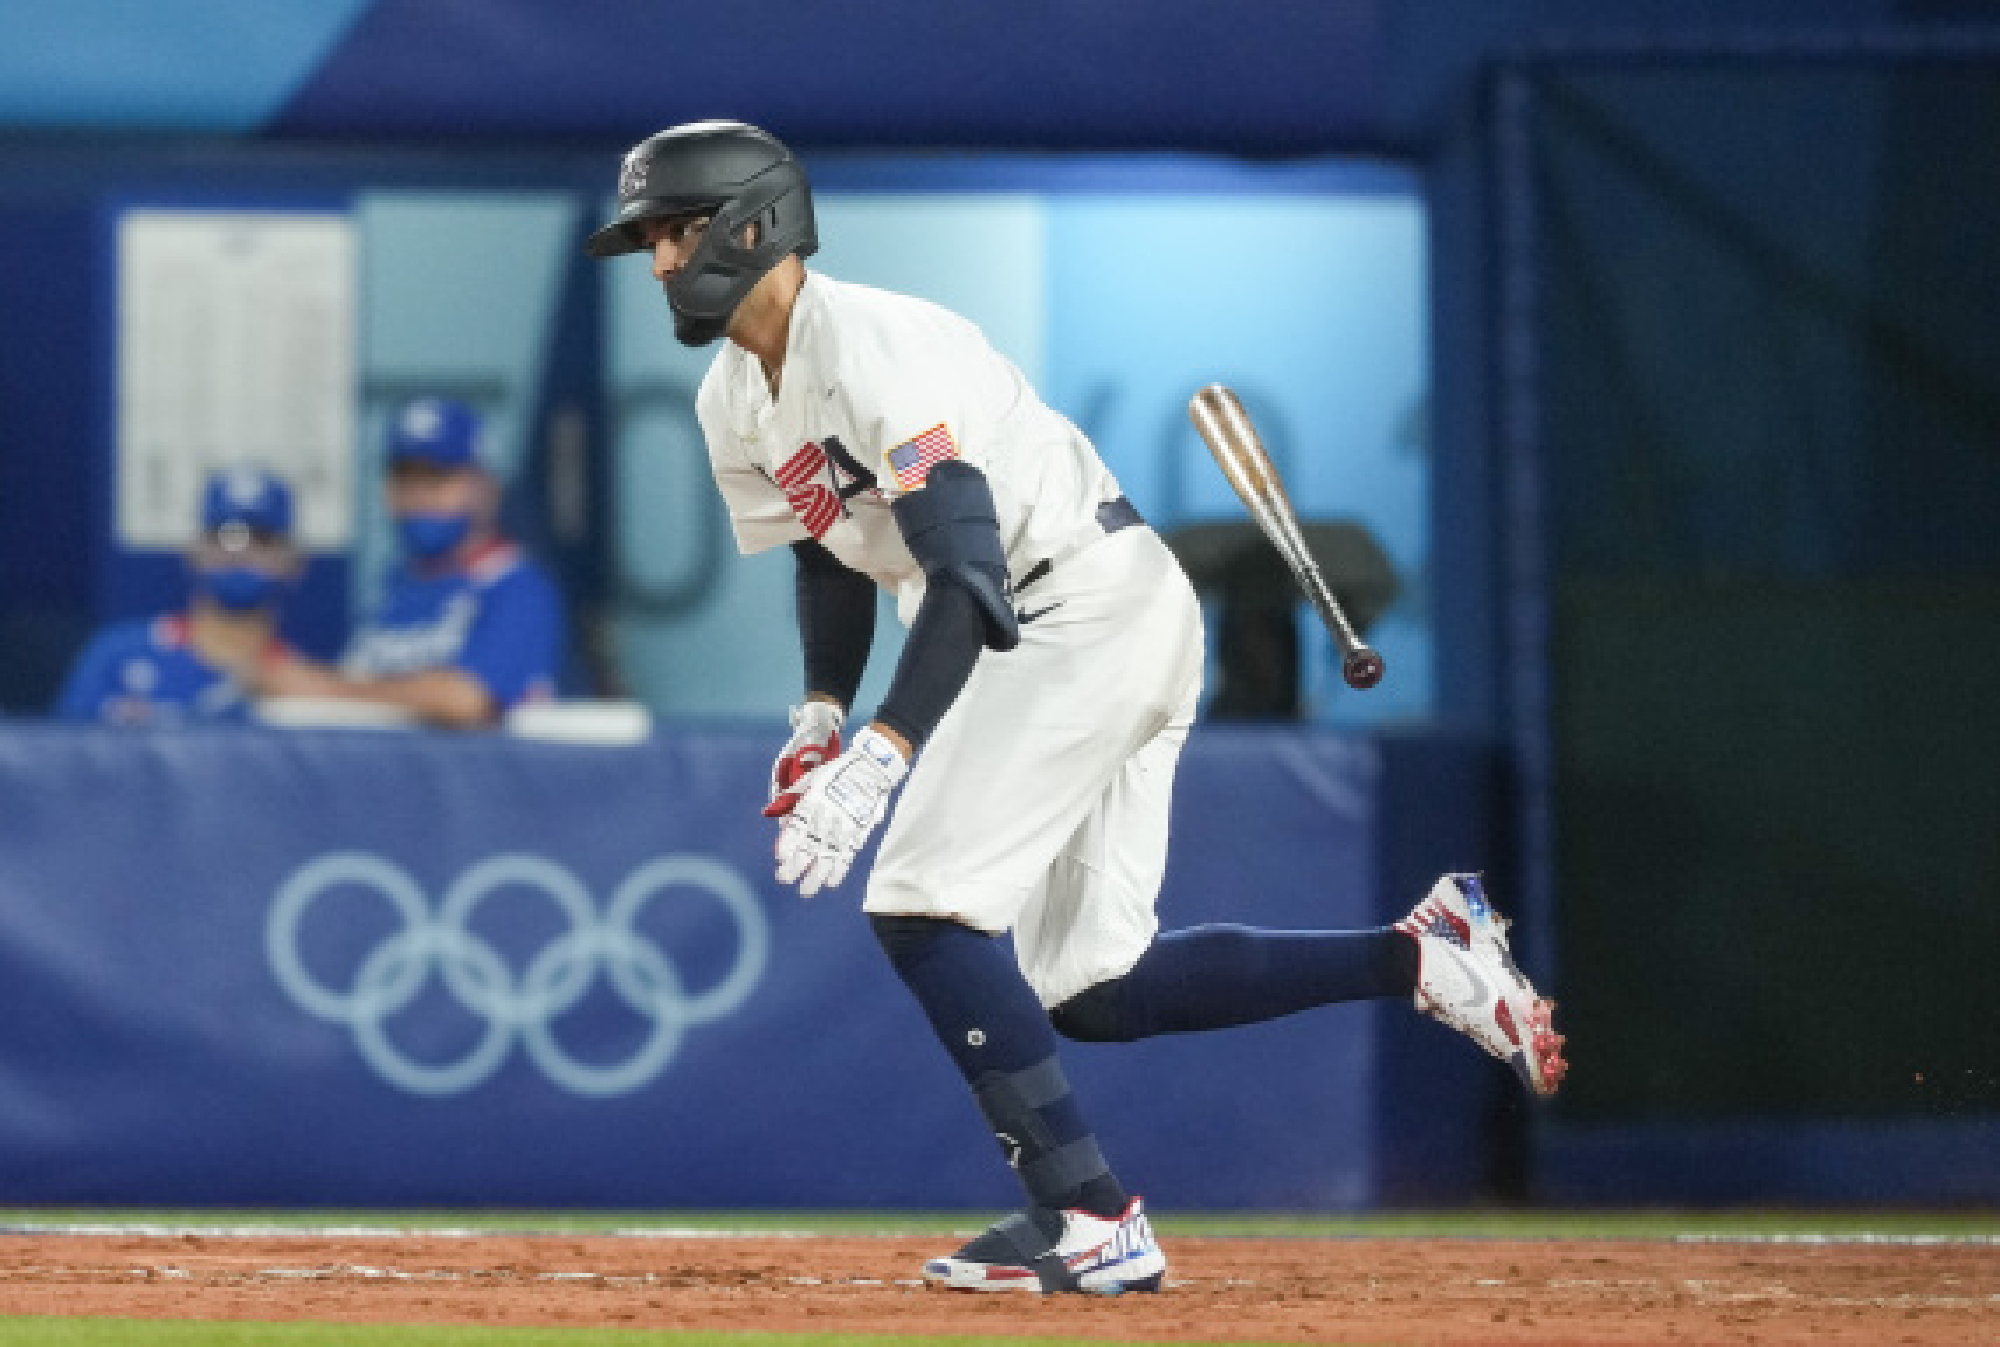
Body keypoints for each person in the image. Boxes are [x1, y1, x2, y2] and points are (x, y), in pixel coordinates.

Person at [587, 120, 1567, 1295]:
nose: (657, 261)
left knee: (919, 906)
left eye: (678, 229)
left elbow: (966, 580)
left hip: (1072, 613)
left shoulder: (879, 343)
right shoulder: (729, 397)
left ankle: (1090, 1220)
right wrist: (818, 718)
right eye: (649, 236)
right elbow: (830, 557)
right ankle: (1420, 955)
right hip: (1068, 620)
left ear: (754, 223)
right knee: (1095, 986)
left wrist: (885, 754)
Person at [255, 397, 564, 728]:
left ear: (487, 488)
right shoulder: (395, 585)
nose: (418, 494)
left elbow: (469, 699)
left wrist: (322, 687)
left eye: (437, 477)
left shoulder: (517, 587)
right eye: (404, 477)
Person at [56, 466, 304, 725]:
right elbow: (61, 754)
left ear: (295, 561)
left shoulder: (298, 679)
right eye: (222, 537)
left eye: (262, 541)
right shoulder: (118, 652)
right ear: (193, 551)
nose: (239, 554)